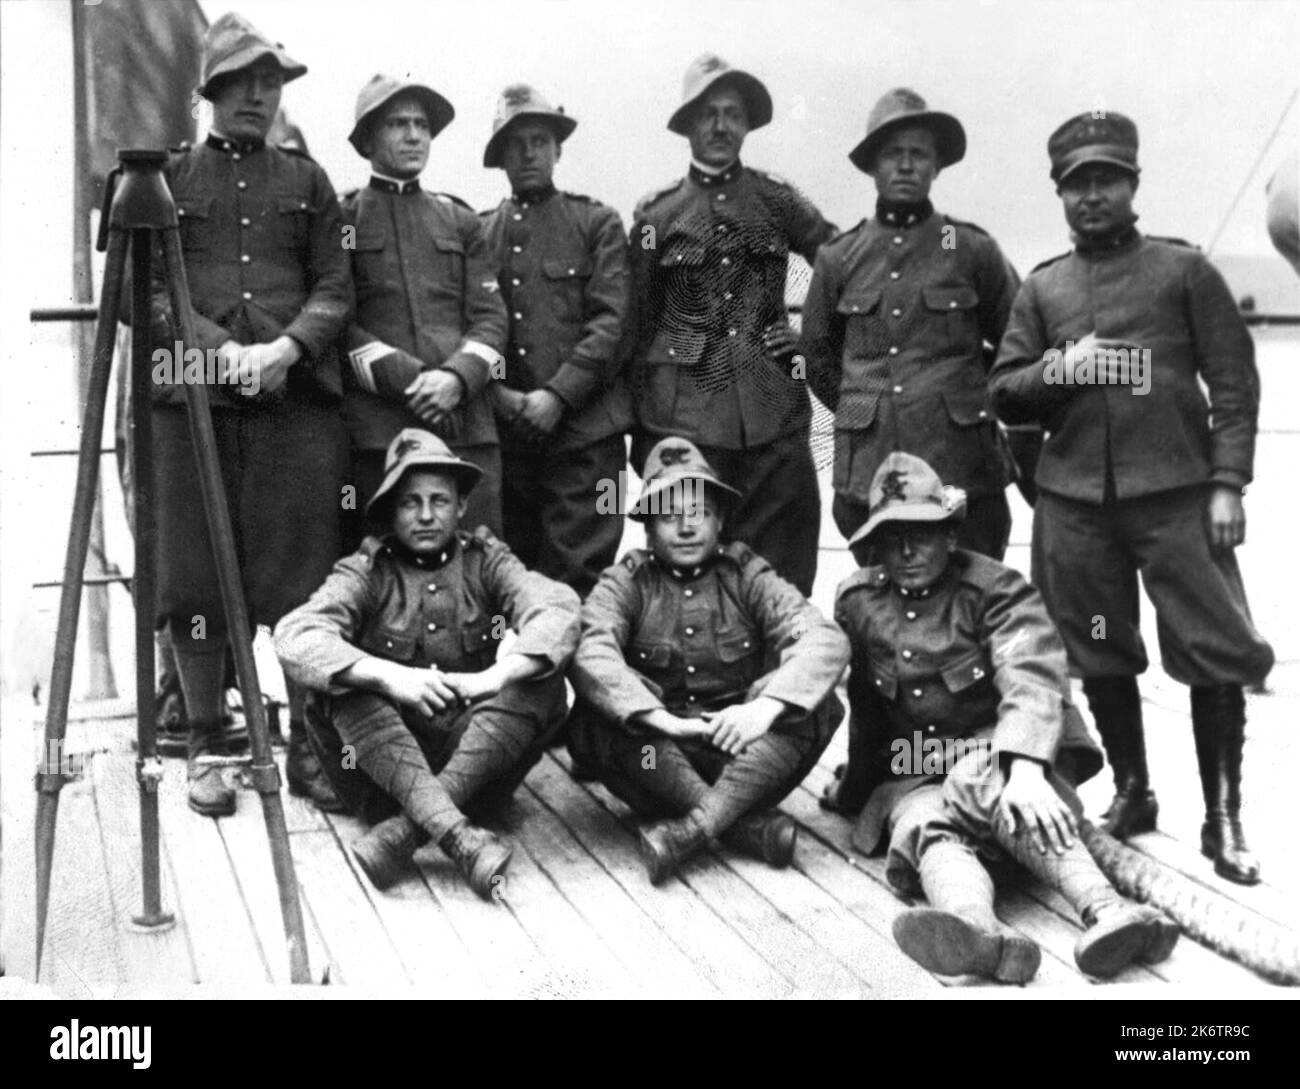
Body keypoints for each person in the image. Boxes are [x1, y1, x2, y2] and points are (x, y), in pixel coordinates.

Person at [989, 112, 1274, 884]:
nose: (1091, 196)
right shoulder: (1044, 286)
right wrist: (1064, 368)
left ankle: (1223, 820)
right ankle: (1133, 790)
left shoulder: (1184, 272)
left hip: (1179, 495)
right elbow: (1005, 391)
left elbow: (1236, 384)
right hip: (1075, 502)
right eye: (1076, 183)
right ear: (1060, 193)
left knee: (1213, 646)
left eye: (1105, 179)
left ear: (1132, 184)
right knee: (1096, 647)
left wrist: (1228, 483)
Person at [827, 453, 1179, 982]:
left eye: (921, 532)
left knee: (983, 783)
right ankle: (978, 933)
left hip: (1008, 753)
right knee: (922, 823)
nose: (906, 550)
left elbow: (1031, 675)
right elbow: (867, 710)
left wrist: (1027, 768)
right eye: (893, 534)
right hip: (922, 766)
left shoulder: (995, 590)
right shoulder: (860, 601)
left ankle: (1108, 910)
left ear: (950, 535)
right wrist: (857, 788)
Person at [149, 12, 351, 816]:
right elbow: (145, 294)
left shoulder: (310, 183)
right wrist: (212, 350)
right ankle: (205, 743)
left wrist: (285, 351)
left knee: (301, 573)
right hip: (191, 403)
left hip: (292, 408)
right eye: (241, 83)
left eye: (270, 84)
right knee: (195, 571)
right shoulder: (164, 180)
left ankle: (310, 746)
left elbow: (336, 288)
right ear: (211, 92)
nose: (258, 97)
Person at [274, 430, 580, 896]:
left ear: (460, 508)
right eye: (409, 503)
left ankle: (406, 833)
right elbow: (296, 635)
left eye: (439, 501)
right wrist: (389, 677)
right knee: (341, 684)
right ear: (390, 513)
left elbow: (556, 609)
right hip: (379, 777)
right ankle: (457, 835)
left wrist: (494, 676)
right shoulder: (365, 570)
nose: (424, 515)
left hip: (475, 769)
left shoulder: (486, 560)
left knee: (543, 680)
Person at [568, 437, 848, 885]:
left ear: (719, 521)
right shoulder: (628, 581)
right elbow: (590, 646)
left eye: (698, 511)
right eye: (669, 515)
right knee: (596, 719)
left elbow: (818, 636)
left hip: (743, 756)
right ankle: (740, 826)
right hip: (654, 761)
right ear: (648, 528)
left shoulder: (749, 576)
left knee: (818, 704)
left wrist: (763, 709)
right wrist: (662, 720)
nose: (685, 527)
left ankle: (691, 830)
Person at [626, 54, 837, 596]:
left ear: (747, 125)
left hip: (773, 419)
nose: (721, 126)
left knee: (785, 575)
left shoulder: (777, 200)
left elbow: (842, 261)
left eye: (733, 114)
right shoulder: (657, 217)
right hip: (687, 422)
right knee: (689, 572)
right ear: (688, 126)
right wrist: (644, 432)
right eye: (708, 114)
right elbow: (635, 321)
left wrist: (809, 337)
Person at [801, 88, 1020, 558]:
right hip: (870, 473)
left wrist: (972, 397)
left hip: (962, 469)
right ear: (872, 167)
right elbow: (818, 357)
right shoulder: (839, 257)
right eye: (891, 154)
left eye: (918, 154)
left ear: (937, 166)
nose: (905, 165)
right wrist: (863, 408)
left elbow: (1017, 344)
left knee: (975, 597)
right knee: (878, 605)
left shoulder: (968, 248)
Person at [340, 74, 508, 544]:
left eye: (421, 125)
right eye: (398, 124)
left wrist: (456, 379)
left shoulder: (459, 220)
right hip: (380, 435)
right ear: (368, 138)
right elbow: (337, 318)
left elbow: (492, 317)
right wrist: (414, 381)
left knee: (481, 564)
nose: (414, 135)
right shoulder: (344, 220)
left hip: (465, 430)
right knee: (381, 572)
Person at [479, 84, 631, 597]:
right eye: (515, 143)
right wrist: (498, 395)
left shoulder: (597, 223)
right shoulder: (478, 235)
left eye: (540, 140)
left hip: (587, 442)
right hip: (509, 439)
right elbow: (473, 326)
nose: (528, 153)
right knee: (510, 585)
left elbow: (611, 324)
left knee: (581, 586)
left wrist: (557, 395)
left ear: (558, 149)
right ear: (499, 156)